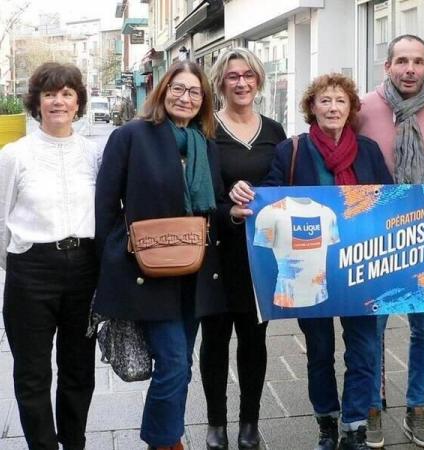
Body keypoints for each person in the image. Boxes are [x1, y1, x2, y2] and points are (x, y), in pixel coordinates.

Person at [230, 73, 392, 450]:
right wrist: (246, 197)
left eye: (340, 101)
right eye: (325, 100)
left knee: (364, 348)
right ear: (312, 107)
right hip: (310, 271)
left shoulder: (368, 150)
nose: (333, 107)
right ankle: (326, 422)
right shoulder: (293, 150)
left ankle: (354, 424)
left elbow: (389, 198)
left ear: (351, 108)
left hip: (361, 267)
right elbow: (271, 194)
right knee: (319, 350)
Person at [94, 61, 229, 450]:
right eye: (178, 89)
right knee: (171, 363)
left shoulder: (206, 143)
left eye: (194, 92)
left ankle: (167, 437)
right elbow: (106, 206)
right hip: (148, 272)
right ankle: (165, 442)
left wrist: (232, 211)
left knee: (181, 366)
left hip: (195, 271)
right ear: (163, 90)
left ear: (203, 100)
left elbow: (214, 204)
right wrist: (116, 259)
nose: (185, 98)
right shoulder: (131, 136)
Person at [355, 34, 424, 448]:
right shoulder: (364, 108)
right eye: (401, 61)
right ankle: (371, 408)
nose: (409, 69)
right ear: (387, 66)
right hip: (375, 238)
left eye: (417, 62)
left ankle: (417, 408)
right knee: (372, 329)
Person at [0, 62, 99, 450]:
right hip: (31, 271)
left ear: (78, 103)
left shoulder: (93, 153)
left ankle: (74, 442)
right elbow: (1, 220)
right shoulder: (14, 156)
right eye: (49, 94)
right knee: (32, 373)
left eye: (67, 94)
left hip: (85, 271)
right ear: (37, 102)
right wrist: (21, 259)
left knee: (78, 369)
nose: (58, 101)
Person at [199, 48, 286, 450]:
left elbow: (283, 184)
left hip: (260, 255)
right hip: (217, 254)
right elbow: (199, 196)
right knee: (214, 341)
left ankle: (249, 422)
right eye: (233, 76)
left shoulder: (274, 130)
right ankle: (216, 423)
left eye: (248, 75)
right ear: (220, 82)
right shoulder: (206, 131)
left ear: (258, 80)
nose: (241, 82)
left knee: (254, 342)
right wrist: (228, 207)